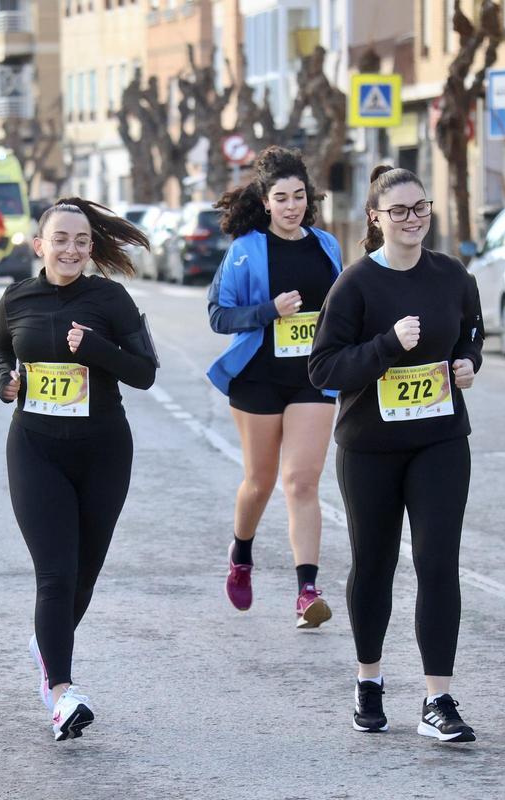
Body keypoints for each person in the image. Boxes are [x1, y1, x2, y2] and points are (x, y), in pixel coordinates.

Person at [308, 165, 484, 743]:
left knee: (437, 564)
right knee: (375, 563)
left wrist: (467, 365)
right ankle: (369, 679)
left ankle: (438, 698)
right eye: (400, 211)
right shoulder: (355, 285)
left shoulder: (452, 276)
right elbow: (325, 368)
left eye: (421, 208)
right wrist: (387, 345)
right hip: (371, 448)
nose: (413, 220)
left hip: (439, 441)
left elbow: (471, 334)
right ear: (376, 219)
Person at [0, 198, 156, 742]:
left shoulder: (111, 299)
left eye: (81, 241)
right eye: (60, 239)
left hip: (104, 451)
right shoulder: (17, 298)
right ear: (40, 245)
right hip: (35, 447)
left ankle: (48, 643)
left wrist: (98, 348)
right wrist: (3, 381)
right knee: (56, 573)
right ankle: (60, 693)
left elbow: (145, 373)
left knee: (84, 572)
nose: (72, 249)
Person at [206, 146, 342, 626]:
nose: (291, 206)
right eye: (281, 197)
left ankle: (307, 590)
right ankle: (241, 552)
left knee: (302, 482)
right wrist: (268, 311)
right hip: (258, 379)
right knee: (260, 482)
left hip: (312, 379)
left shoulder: (326, 246)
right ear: (264, 201)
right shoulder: (245, 252)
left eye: (299, 196)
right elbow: (219, 316)